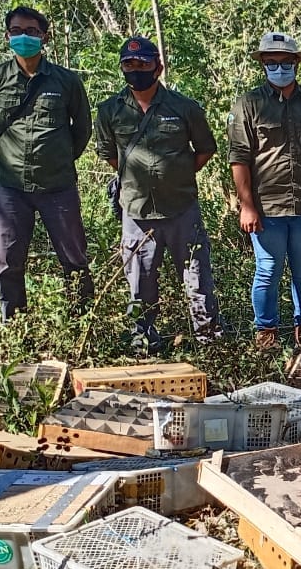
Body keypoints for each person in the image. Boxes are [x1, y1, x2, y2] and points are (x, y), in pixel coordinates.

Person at [95, 36, 223, 354]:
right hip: (137, 213)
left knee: (197, 280)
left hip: (181, 209)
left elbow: (205, 149)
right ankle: (144, 339)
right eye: (129, 64)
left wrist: (175, 175)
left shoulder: (184, 107)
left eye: (143, 64)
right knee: (140, 283)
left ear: (158, 67)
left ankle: (208, 341)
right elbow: (111, 155)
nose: (136, 70)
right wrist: (141, 179)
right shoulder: (110, 110)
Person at [0, 5, 94, 320]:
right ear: (6, 36)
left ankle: (81, 322)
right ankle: (14, 327)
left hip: (58, 186)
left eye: (31, 31)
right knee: (8, 260)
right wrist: (3, 156)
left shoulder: (67, 81)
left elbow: (82, 129)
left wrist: (59, 158)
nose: (24, 37)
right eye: (17, 31)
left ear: (45, 37)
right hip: (10, 187)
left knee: (73, 257)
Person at [227, 31, 301, 349]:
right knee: (268, 270)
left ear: (297, 62)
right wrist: (246, 205)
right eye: (272, 62)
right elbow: (239, 158)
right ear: (263, 64)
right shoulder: (249, 104)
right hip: (267, 209)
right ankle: (266, 333)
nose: (279, 68)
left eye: (286, 61)